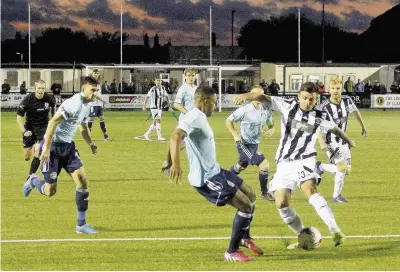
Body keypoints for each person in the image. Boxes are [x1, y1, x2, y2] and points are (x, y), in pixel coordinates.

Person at [234, 82, 355, 249]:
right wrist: (246, 96)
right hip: (284, 163)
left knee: (310, 190)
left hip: (305, 160)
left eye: (311, 99)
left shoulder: (320, 115)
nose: (307, 102)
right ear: (299, 96)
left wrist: (348, 141)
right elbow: (262, 97)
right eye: (304, 98)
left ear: (316, 99)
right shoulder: (287, 105)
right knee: (281, 203)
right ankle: (303, 235)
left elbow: (334, 129)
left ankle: (335, 230)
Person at [163, 86, 263, 262]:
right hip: (206, 178)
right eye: (214, 103)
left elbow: (180, 140)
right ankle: (231, 252)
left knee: (251, 195)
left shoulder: (196, 117)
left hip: (216, 170)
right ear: (205, 102)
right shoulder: (194, 116)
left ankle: (245, 238)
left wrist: (169, 159)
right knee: (245, 205)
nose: (215, 107)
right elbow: (175, 136)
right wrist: (176, 164)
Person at [22, 76, 100, 234]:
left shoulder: (88, 104)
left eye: (97, 90)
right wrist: (46, 149)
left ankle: (81, 225)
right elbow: (52, 123)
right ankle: (33, 181)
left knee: (82, 182)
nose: (96, 93)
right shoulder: (74, 103)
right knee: (50, 191)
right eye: (93, 90)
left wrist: (91, 143)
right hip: (52, 149)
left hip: (68, 148)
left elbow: (83, 127)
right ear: (83, 89)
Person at [316, 76, 367, 203]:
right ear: (328, 89)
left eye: (338, 88)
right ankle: (336, 196)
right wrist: (322, 143)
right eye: (332, 88)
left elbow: (356, 112)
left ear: (342, 89)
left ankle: (320, 166)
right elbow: (317, 126)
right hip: (330, 141)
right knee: (342, 169)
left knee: (347, 170)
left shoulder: (347, 101)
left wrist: (363, 126)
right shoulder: (324, 107)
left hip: (344, 141)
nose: (335, 91)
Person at [226, 86, 275, 200]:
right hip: (244, 144)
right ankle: (264, 192)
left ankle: (225, 181)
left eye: (261, 95)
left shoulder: (266, 108)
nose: (258, 97)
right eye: (256, 95)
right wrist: (234, 134)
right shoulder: (245, 109)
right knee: (264, 165)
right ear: (251, 96)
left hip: (254, 144)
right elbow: (228, 120)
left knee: (240, 167)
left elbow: (271, 123)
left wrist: (271, 129)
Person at [16, 80, 56, 179]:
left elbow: (54, 107)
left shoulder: (49, 98)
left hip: (43, 128)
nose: (41, 90)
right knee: (27, 156)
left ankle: (31, 175)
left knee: (40, 151)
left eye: (43, 88)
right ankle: (35, 147)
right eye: (39, 88)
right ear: (35, 88)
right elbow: (19, 118)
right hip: (29, 129)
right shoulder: (27, 100)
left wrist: (53, 119)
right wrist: (24, 131)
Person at [88, 69, 114, 141]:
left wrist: (101, 102)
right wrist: (103, 101)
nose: (96, 74)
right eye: (95, 73)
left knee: (102, 118)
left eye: (97, 73)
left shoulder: (98, 83)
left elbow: (98, 93)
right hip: (92, 104)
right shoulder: (91, 83)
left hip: (99, 104)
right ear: (92, 74)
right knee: (91, 119)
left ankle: (105, 136)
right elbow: (94, 95)